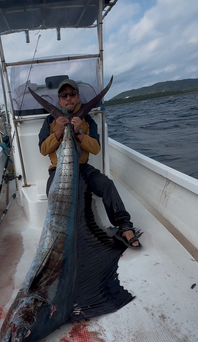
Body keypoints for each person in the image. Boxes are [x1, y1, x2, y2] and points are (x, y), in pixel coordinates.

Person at [38, 79, 141, 248]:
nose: (68, 98)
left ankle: (124, 226)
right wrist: (57, 131)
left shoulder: (87, 120)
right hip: (58, 170)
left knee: (106, 184)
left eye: (72, 94)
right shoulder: (50, 121)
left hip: (82, 168)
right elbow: (43, 149)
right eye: (64, 95)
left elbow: (95, 148)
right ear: (59, 100)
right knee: (52, 193)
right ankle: (58, 234)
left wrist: (78, 131)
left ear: (78, 97)